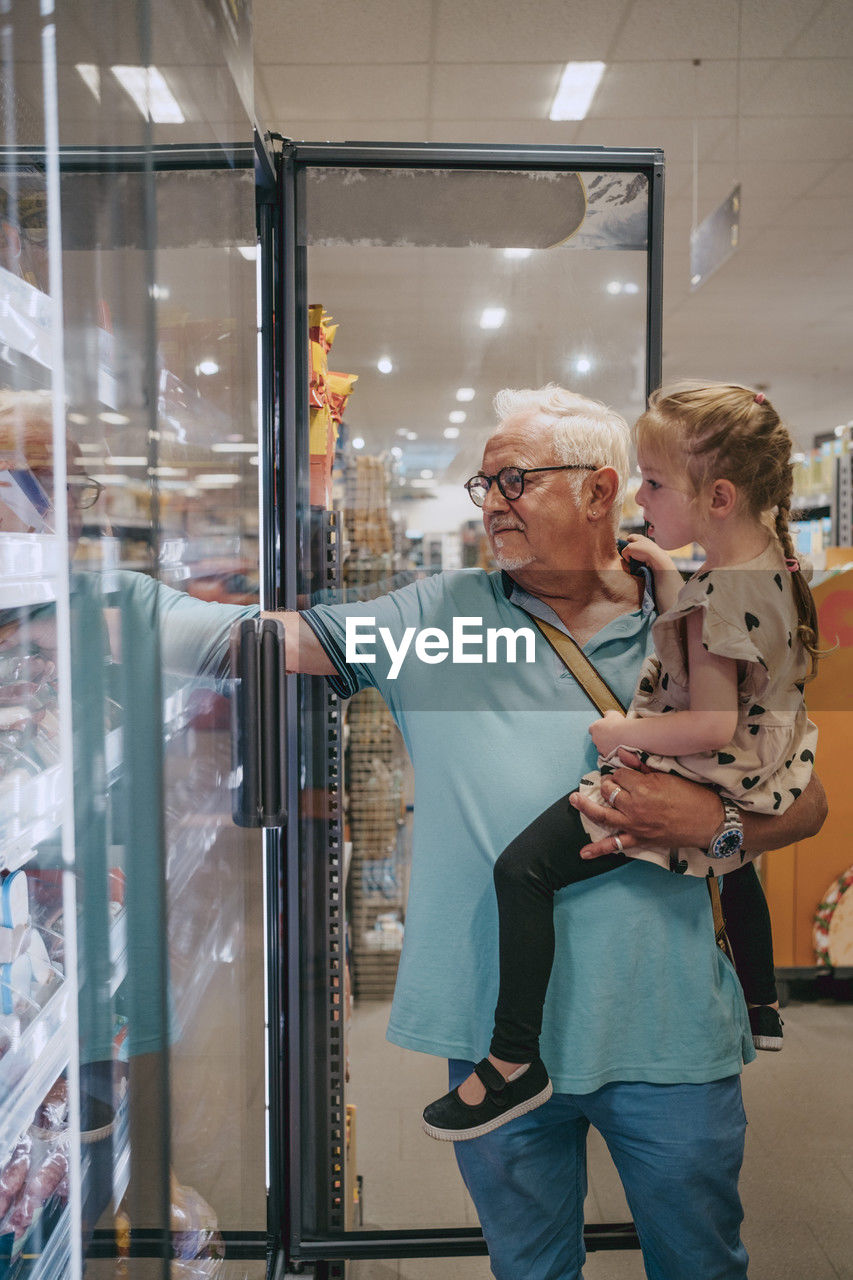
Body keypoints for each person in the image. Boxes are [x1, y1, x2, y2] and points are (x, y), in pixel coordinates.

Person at [268, 384, 827, 1280]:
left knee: (700, 1262)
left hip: (668, 1032)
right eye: (483, 484)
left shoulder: (696, 609)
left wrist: (715, 821)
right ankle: (522, 1054)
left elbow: (802, 797)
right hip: (484, 1019)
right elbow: (282, 643)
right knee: (527, 1266)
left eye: (514, 479)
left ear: (600, 491)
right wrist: (108, 611)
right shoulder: (442, 621)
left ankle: (746, 1005)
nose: (491, 502)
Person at [422, 382, 820, 1144]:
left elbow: (709, 718)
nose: (642, 495)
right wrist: (674, 587)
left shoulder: (712, 600)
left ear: (718, 496)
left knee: (522, 872)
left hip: (694, 772)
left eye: (655, 482)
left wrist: (616, 732)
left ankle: (511, 1058)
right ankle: (761, 1000)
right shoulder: (772, 574)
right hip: (765, 768)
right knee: (733, 873)